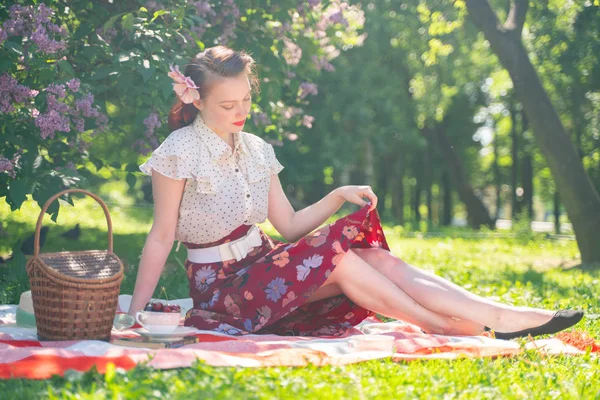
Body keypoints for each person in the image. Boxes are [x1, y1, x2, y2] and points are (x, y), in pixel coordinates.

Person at [127, 45, 583, 338]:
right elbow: (161, 237)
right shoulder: (178, 152)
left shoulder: (257, 148)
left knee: (374, 258)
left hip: (264, 266)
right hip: (222, 291)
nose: (242, 110)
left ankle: (498, 314)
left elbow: (286, 226)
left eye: (247, 99)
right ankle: (449, 327)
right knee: (343, 259)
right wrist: (136, 315)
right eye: (229, 104)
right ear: (196, 100)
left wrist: (337, 195)